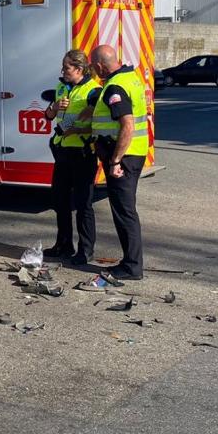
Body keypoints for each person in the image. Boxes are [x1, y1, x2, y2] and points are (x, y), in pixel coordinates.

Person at [88, 45, 148, 281]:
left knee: (124, 212)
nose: (94, 70)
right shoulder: (130, 77)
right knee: (126, 210)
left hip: (124, 158)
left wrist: (115, 160)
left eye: (95, 66)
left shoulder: (115, 86)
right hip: (135, 153)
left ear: (101, 64)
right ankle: (131, 262)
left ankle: (132, 266)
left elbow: (128, 125)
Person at [43, 49, 100, 265]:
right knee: (60, 201)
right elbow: (48, 117)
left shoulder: (93, 91)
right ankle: (63, 245)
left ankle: (85, 251)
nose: (63, 71)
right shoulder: (62, 87)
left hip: (83, 153)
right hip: (62, 150)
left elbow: (99, 124)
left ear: (79, 68)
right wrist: (55, 107)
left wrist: (77, 131)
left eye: (67, 67)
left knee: (83, 204)